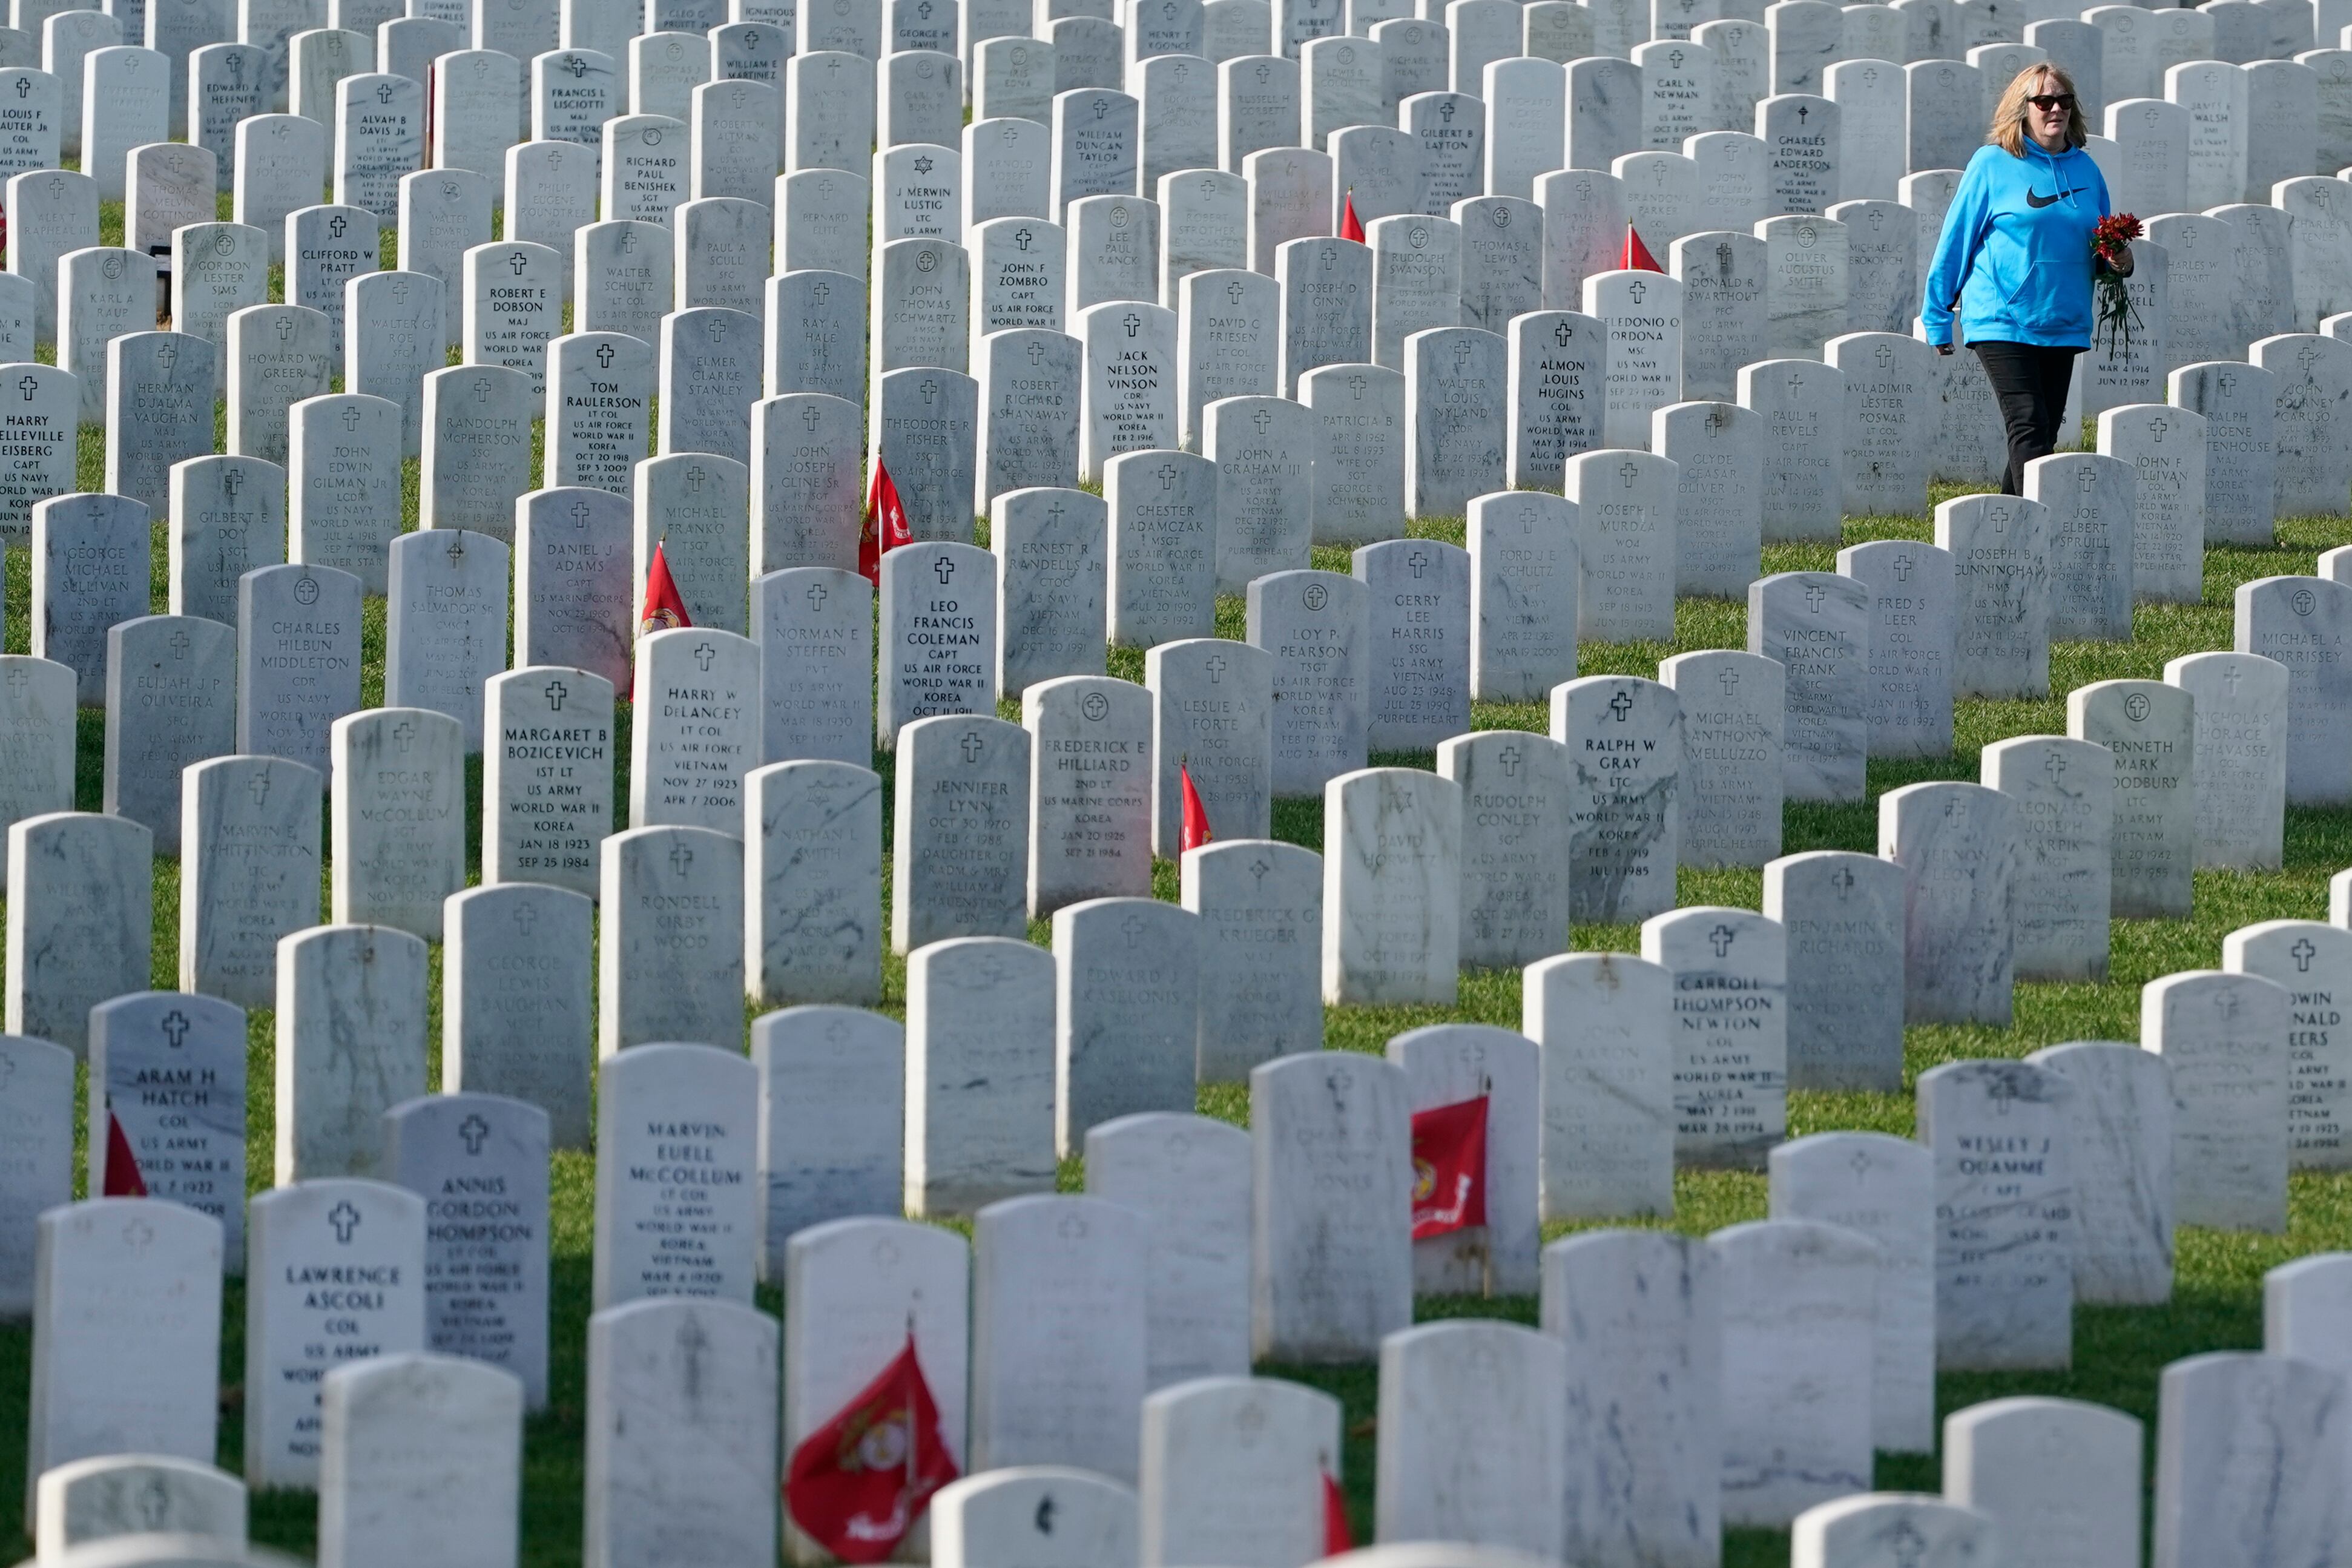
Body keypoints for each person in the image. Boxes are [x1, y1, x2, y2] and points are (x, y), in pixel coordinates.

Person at [1920, 63, 2128, 495]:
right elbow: (1955, 240)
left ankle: (2001, 534)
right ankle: (2040, 534)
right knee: (2028, 426)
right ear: (2022, 110)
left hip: (2063, 319)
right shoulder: (1992, 164)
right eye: (2044, 102)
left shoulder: (2086, 171)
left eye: (2064, 101)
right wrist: (1937, 317)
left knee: (2042, 435)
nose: (2056, 109)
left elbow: (2099, 248)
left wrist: (2118, 261)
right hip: (2002, 317)